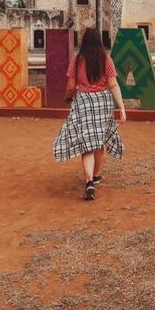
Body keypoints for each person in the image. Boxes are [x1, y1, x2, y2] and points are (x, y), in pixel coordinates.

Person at [53, 28, 126, 200]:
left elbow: (71, 86)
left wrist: (68, 97)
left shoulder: (77, 61)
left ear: (84, 42)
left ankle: (89, 182)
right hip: (102, 102)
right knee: (98, 142)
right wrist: (122, 108)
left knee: (87, 143)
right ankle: (95, 175)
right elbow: (113, 85)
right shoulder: (106, 60)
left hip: (84, 102)